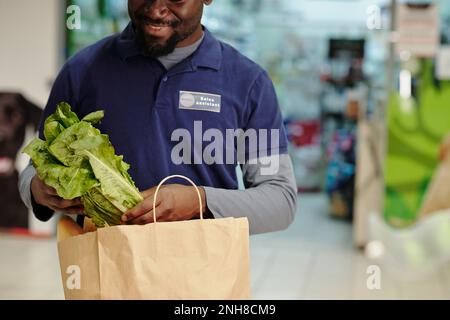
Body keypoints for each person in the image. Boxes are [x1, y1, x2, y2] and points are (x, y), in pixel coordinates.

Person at [19, 0, 297, 234]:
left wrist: (199, 200)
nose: (155, 10)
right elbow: (35, 167)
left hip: (203, 275)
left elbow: (279, 199)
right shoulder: (82, 70)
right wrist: (38, 190)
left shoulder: (249, 83)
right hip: (105, 272)